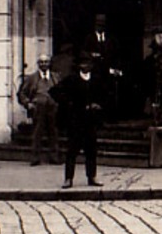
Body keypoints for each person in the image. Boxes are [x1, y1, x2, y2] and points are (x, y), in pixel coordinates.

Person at [54, 54, 106, 187]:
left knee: (91, 150)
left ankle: (92, 177)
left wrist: (98, 104)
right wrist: (70, 105)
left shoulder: (96, 80)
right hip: (76, 121)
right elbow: (55, 92)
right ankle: (68, 178)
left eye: (88, 64)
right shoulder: (71, 80)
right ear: (78, 66)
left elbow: (105, 96)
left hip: (91, 121)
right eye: (83, 64)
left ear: (92, 66)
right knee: (72, 150)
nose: (86, 66)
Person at [17, 53, 62, 166]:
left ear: (49, 63)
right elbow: (21, 93)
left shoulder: (55, 77)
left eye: (46, 62)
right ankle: (35, 157)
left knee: (54, 132)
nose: (44, 64)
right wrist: (28, 104)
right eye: (41, 62)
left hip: (53, 108)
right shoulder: (32, 78)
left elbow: (62, 91)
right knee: (37, 133)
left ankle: (54, 156)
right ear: (38, 64)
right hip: (38, 108)